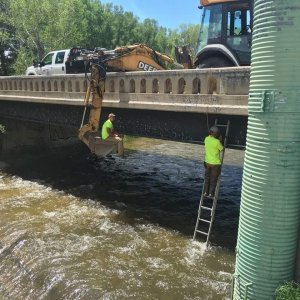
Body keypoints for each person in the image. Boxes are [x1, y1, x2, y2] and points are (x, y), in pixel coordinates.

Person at [203, 126, 224, 198]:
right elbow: (222, 149)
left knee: (207, 178)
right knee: (213, 180)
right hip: (215, 164)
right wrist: (221, 140)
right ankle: (211, 194)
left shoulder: (206, 139)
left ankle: (206, 192)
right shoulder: (217, 142)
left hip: (207, 162)